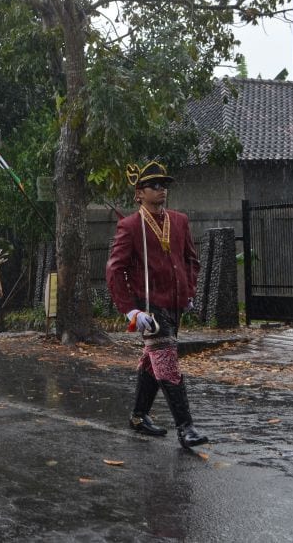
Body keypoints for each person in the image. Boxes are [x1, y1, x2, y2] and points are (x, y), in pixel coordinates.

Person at [106, 160, 208, 449]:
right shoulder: (129, 226)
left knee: (154, 362)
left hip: (175, 304)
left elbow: (191, 260)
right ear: (139, 193)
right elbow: (115, 270)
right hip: (149, 307)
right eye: (154, 185)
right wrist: (131, 310)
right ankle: (186, 427)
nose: (161, 190)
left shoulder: (179, 221)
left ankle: (138, 416)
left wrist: (188, 292)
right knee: (166, 362)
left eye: (163, 185)